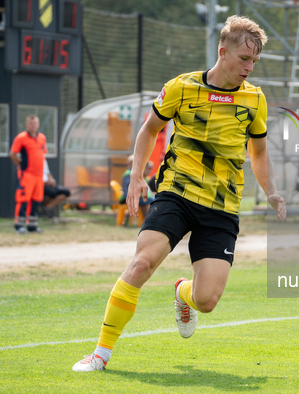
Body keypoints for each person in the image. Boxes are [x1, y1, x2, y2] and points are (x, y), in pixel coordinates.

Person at [72, 15, 286, 372]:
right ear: (223, 52)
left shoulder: (255, 101)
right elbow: (149, 130)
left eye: (254, 61)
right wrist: (137, 176)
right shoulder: (181, 88)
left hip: (222, 206)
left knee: (207, 301)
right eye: (244, 59)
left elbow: (259, 152)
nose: (249, 67)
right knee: (142, 263)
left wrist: (272, 191)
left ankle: (182, 292)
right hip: (176, 192)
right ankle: (100, 355)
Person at [9, 115, 46, 234]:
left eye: (35, 123)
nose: (33, 125)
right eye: (30, 123)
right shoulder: (21, 138)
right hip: (27, 175)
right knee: (23, 199)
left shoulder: (42, 138)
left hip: (39, 176)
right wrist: (20, 164)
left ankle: (32, 226)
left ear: (38, 124)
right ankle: (19, 226)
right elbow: (13, 154)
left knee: (36, 200)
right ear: (26, 124)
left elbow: (43, 155)